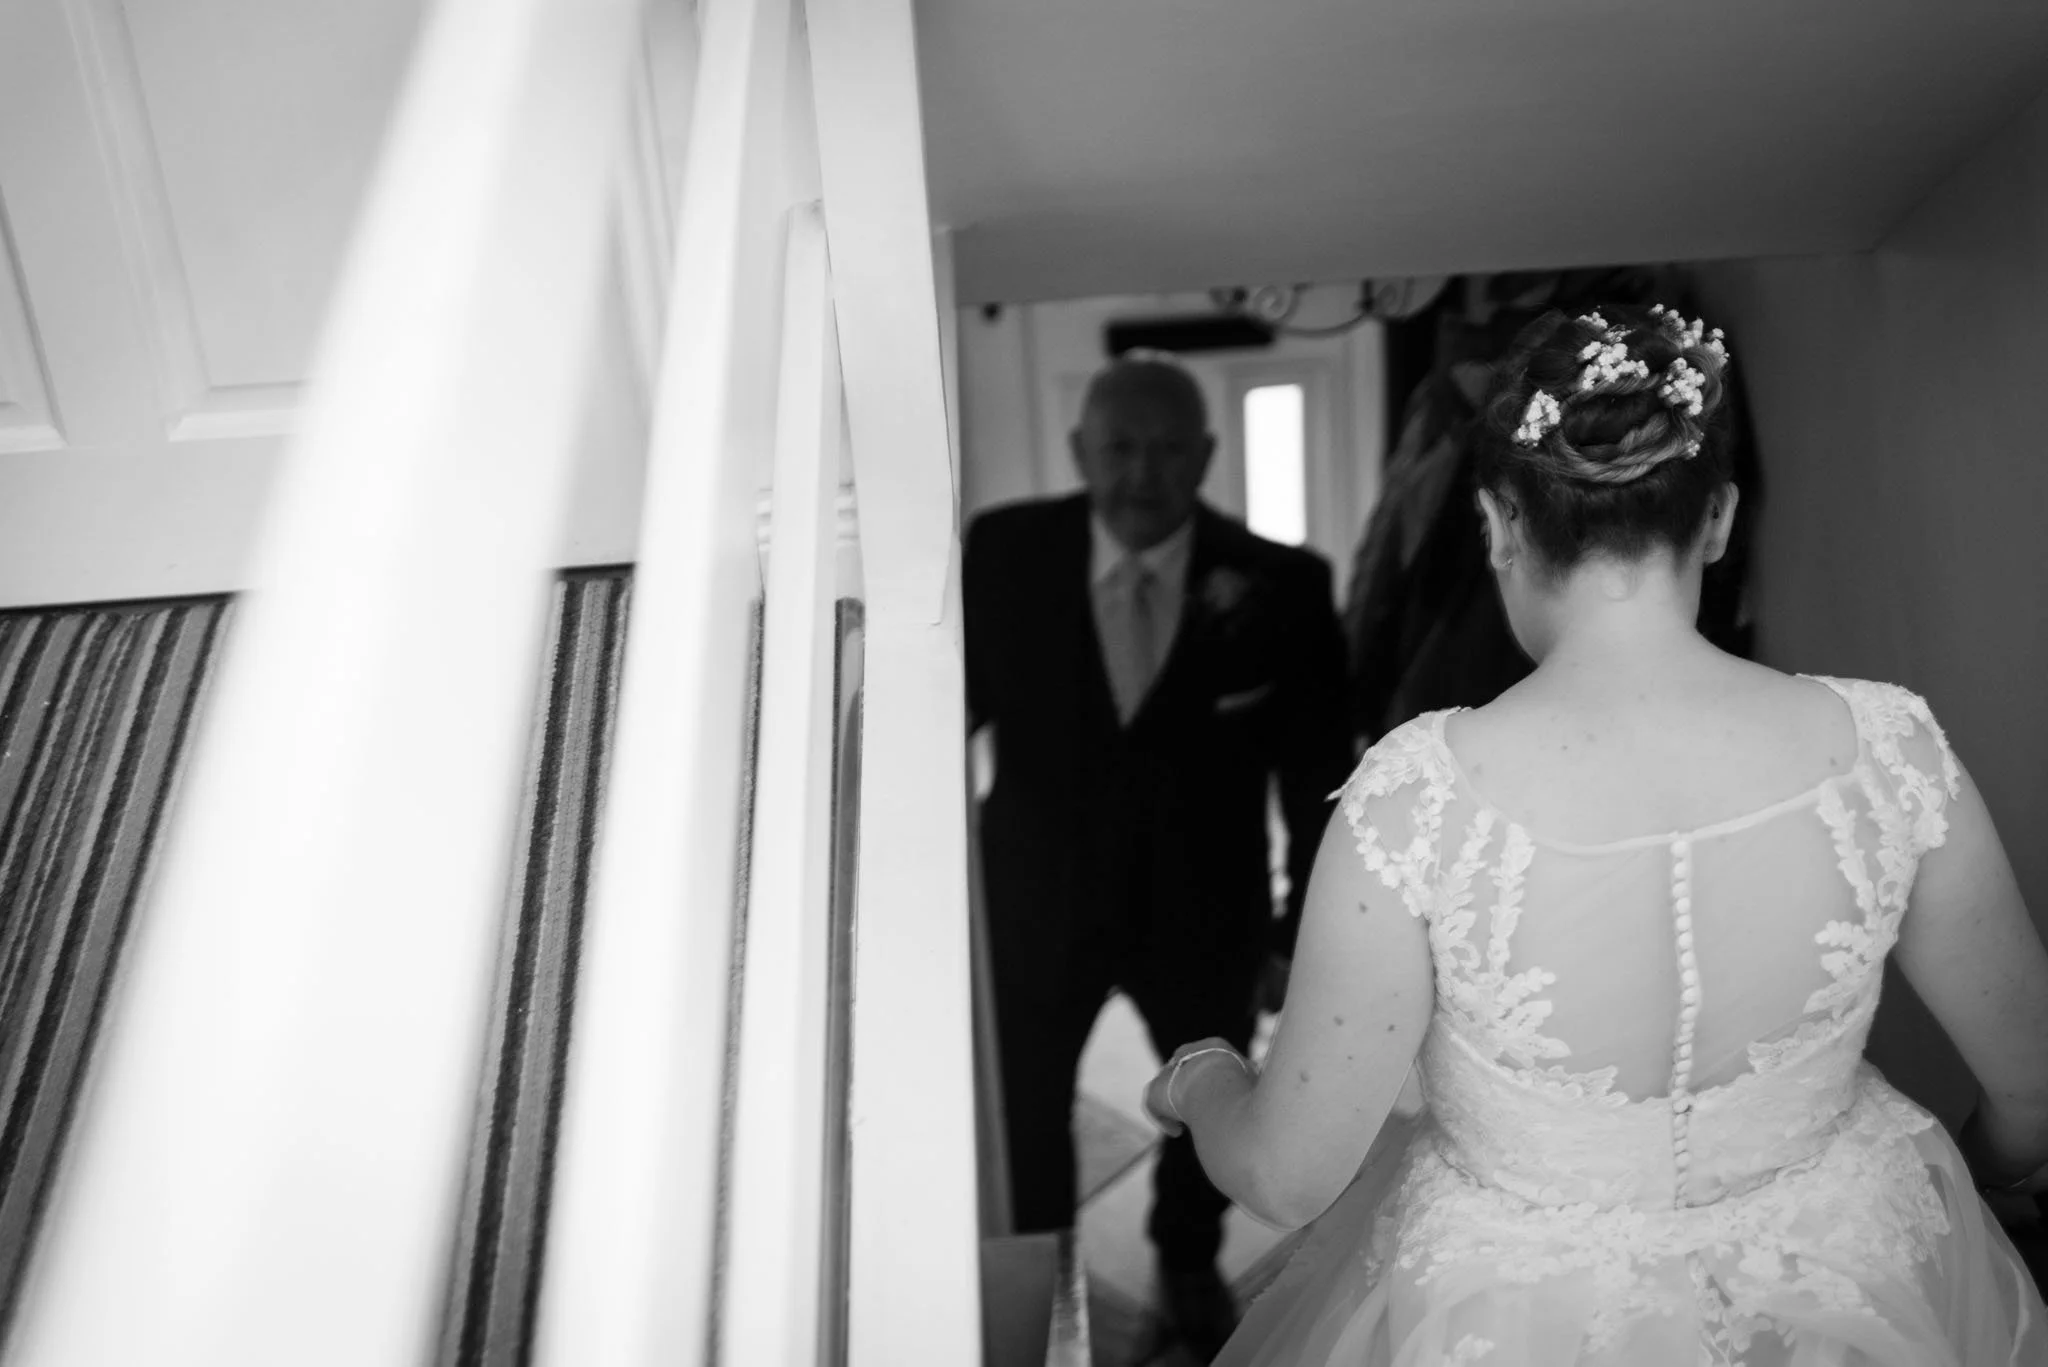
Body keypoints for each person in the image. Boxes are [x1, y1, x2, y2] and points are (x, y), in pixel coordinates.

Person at [1142, 305, 2048, 1364]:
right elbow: (2031, 1084)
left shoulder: (1413, 795)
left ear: (1497, 522)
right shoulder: (1890, 745)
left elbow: (1286, 1172)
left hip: (1498, 1311)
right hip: (1860, 1280)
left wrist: (1200, 1075)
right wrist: (1964, 1189)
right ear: (1715, 520)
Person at [964, 352, 1351, 1357]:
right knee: (1025, 1106)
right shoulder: (1001, 554)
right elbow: (937, 721)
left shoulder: (1283, 584)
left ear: (1206, 453)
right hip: (1032, 906)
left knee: (1204, 1097)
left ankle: (1185, 1258)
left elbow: (1317, 783)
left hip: (1204, 914)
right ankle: (1045, 1276)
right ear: (1077, 450)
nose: (1142, 472)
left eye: (1168, 448)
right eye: (1119, 447)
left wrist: (1291, 932)